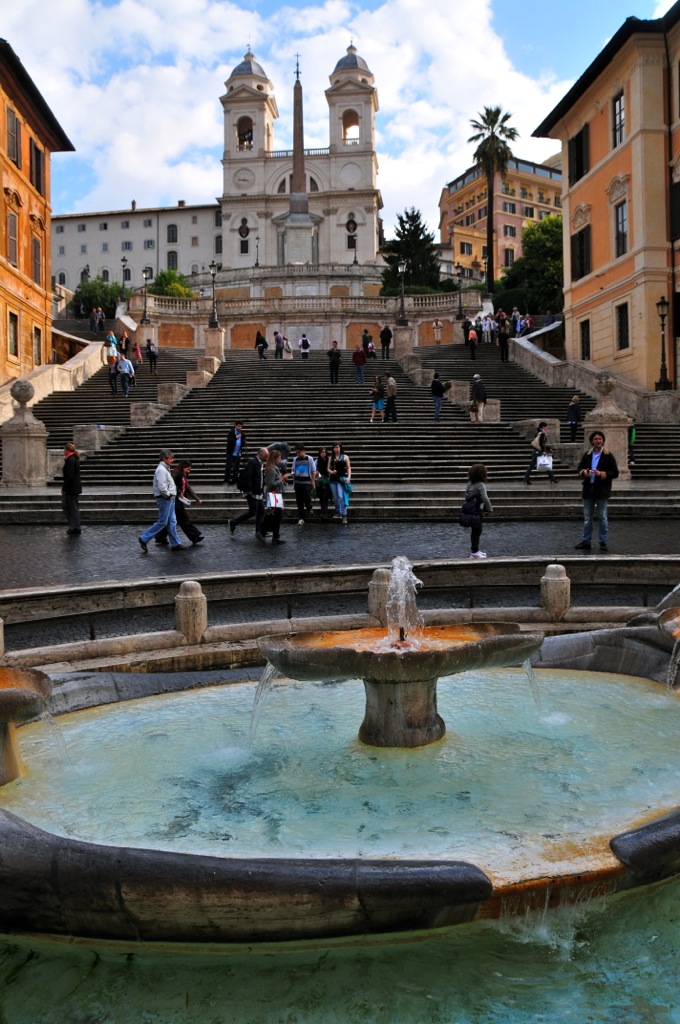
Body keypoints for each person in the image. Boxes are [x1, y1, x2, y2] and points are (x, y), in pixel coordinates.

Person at [575, 430, 619, 552]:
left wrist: (601, 474)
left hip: (602, 490)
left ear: (603, 441)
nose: (598, 441)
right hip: (589, 489)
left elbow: (615, 473)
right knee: (587, 518)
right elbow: (579, 468)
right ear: (592, 441)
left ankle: (603, 541)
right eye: (596, 439)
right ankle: (586, 541)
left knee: (603, 517)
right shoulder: (587, 455)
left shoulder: (608, 455)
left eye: (600, 439)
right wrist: (584, 472)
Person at [138, 449, 184, 552]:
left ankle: (175, 543)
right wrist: (168, 495)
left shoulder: (164, 469)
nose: (172, 460)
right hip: (165, 499)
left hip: (169, 498)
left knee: (172, 521)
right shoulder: (161, 470)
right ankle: (144, 538)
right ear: (164, 458)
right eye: (170, 458)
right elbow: (162, 486)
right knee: (163, 522)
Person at [155, 460, 204, 546]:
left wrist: (196, 498)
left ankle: (160, 537)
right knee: (184, 519)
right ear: (183, 467)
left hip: (178, 500)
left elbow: (187, 488)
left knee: (170, 520)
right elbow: (171, 485)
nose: (189, 471)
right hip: (175, 500)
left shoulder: (183, 475)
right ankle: (194, 536)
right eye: (188, 469)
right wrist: (179, 491)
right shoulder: (176, 475)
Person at [228, 447, 268, 538]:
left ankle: (259, 531)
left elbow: (258, 477)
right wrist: (249, 490)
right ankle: (233, 522)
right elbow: (247, 476)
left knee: (261, 512)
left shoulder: (260, 463)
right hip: (252, 492)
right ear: (260, 455)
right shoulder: (252, 462)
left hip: (258, 491)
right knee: (253, 512)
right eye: (266, 456)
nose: (267, 458)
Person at [461, 463, 493, 559]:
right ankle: (474, 552)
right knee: (477, 531)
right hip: (478, 510)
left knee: (475, 530)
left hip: (470, 511)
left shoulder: (470, 484)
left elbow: (466, 496)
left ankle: (475, 550)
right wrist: (490, 509)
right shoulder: (480, 485)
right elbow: (485, 498)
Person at [259, 449, 290, 544]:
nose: (280, 460)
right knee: (275, 516)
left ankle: (273, 536)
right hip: (274, 496)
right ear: (274, 459)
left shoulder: (275, 468)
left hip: (276, 495)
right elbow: (271, 484)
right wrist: (282, 479)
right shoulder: (272, 470)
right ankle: (264, 532)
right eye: (279, 458)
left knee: (276, 516)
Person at [524, 421, 558, 485]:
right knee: (539, 465)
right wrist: (543, 451)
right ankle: (552, 478)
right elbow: (541, 444)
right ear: (543, 427)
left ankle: (552, 478)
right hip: (538, 452)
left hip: (536, 451)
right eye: (546, 427)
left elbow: (542, 444)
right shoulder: (542, 433)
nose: (547, 428)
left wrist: (549, 449)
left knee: (544, 465)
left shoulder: (538, 433)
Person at [291, 442, 317, 524]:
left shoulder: (309, 459)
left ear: (303, 451)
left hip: (307, 482)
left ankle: (309, 507)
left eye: (299, 452)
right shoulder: (295, 459)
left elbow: (313, 471)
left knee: (307, 497)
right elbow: (293, 469)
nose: (298, 454)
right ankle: (301, 517)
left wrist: (312, 481)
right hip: (298, 482)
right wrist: (292, 473)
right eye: (296, 453)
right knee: (299, 501)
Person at [61, 442, 82, 535]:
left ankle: (75, 526)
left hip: (71, 488)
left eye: (64, 449)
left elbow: (69, 476)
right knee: (70, 506)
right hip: (73, 487)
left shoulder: (71, 460)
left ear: (68, 450)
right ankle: (74, 526)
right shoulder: (72, 459)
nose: (63, 451)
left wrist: (64, 488)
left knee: (70, 506)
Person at [328, 443, 351, 524]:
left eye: (337, 447)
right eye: (334, 448)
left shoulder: (345, 457)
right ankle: (339, 511)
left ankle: (344, 514)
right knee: (335, 497)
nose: (336, 449)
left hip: (341, 479)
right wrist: (331, 472)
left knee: (341, 496)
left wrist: (349, 477)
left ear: (340, 448)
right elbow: (328, 469)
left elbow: (348, 468)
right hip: (333, 479)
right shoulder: (331, 457)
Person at [224, 420, 246, 485]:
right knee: (229, 466)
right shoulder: (231, 432)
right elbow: (229, 440)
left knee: (236, 467)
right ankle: (226, 480)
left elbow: (243, 442)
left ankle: (235, 480)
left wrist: (242, 441)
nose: (240, 428)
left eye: (241, 426)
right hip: (231, 453)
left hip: (238, 453)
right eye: (239, 426)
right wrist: (236, 437)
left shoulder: (242, 433)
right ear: (235, 426)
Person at [314, 446, 331, 517]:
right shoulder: (316, 461)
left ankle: (325, 512)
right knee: (321, 496)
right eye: (321, 452)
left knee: (325, 496)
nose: (323, 454)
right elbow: (315, 470)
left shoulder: (329, 460)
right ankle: (323, 511)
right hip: (319, 480)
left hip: (327, 480)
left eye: (324, 452)